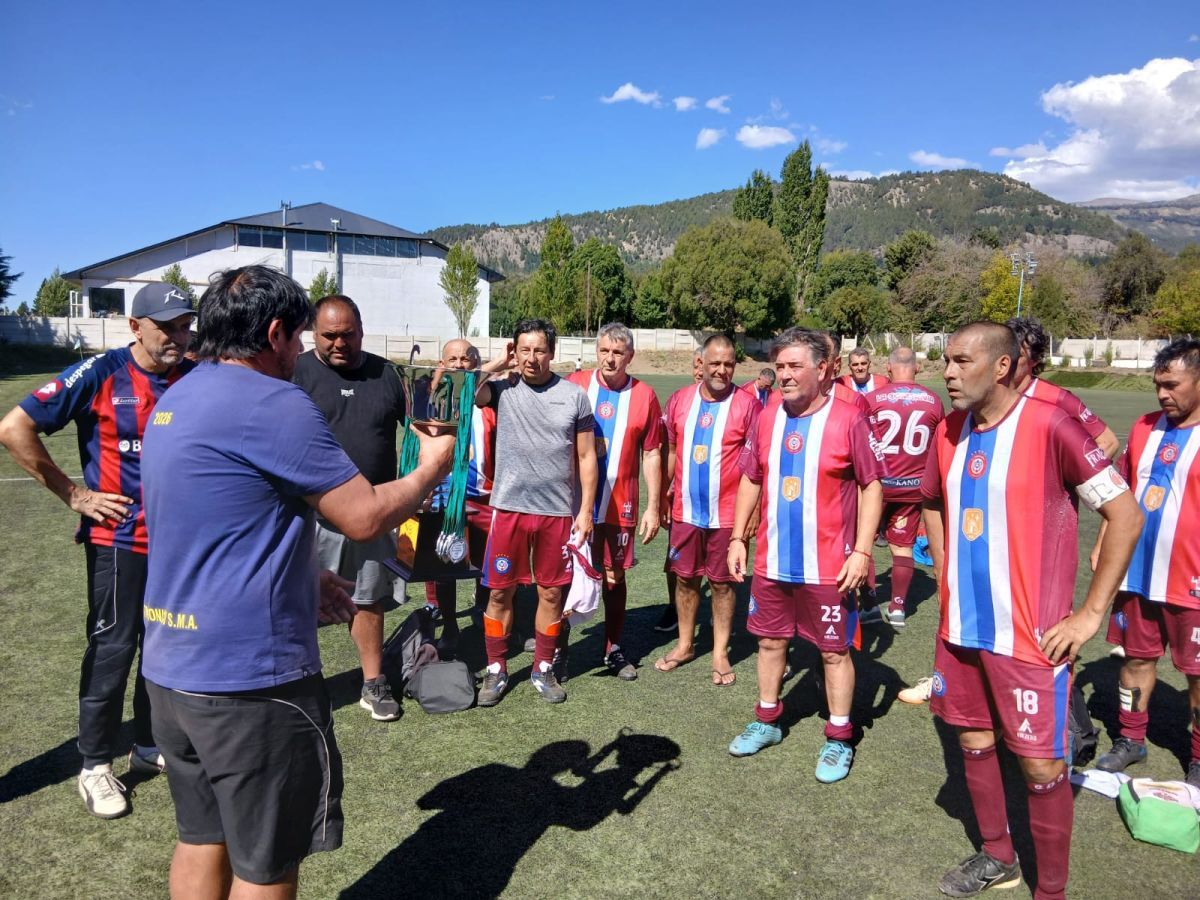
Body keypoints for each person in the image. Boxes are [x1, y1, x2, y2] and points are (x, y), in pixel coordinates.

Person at [139, 265, 455, 899]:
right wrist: (430, 470)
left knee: (202, 838)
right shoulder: (274, 401)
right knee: (268, 861)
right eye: (300, 336)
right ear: (277, 332)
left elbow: (219, 516)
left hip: (172, 670)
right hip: (250, 680)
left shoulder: (179, 393)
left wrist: (304, 575)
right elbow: (362, 513)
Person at [921, 321, 1140, 900]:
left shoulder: (1050, 425)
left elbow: (1126, 514)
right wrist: (945, 570)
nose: (947, 371)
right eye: (945, 360)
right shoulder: (946, 430)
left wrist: (1090, 615)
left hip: (1029, 637)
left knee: (1042, 769)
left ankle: (1052, 891)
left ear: (1001, 366)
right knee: (972, 741)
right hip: (960, 628)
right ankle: (998, 856)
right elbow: (932, 503)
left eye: (962, 360)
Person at [0, 282, 194, 819]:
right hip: (120, 541)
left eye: (185, 325)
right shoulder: (101, 373)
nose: (180, 336)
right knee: (115, 647)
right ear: (135, 327)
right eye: (167, 327)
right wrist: (75, 495)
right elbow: (14, 427)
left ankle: (151, 742)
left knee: (165, 645)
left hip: (180, 546)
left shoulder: (195, 375)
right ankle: (94, 765)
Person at [726, 328, 884, 782]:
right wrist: (739, 536)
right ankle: (768, 720)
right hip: (774, 562)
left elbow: (873, 485)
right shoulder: (767, 415)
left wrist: (861, 551)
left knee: (834, 652)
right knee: (770, 642)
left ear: (822, 369)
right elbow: (752, 478)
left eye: (795, 366)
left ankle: (838, 738)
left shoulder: (850, 418)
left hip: (830, 566)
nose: (785, 375)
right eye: (780, 367)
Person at [1092, 338, 1200, 787]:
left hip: (1192, 580)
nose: (1162, 394)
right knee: (1136, 658)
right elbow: (1121, 493)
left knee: (1197, 674)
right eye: (1158, 385)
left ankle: (1197, 758)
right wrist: (1102, 545)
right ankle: (1131, 739)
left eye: (1172, 385)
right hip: (1136, 573)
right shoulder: (1143, 427)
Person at [293, 294, 407, 721]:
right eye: (329, 336)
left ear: (361, 331)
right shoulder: (294, 373)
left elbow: (416, 430)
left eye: (348, 335)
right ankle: (301, 683)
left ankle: (373, 682)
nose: (339, 343)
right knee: (297, 599)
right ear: (313, 333)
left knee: (369, 598)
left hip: (372, 513)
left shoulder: (386, 374)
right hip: (307, 514)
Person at [474, 318, 598, 706]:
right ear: (515, 351)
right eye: (523, 350)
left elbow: (586, 455)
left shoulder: (574, 396)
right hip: (509, 509)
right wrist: (497, 364)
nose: (531, 358)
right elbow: (464, 392)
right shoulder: (502, 389)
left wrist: (587, 510)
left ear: (552, 352)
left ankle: (542, 667)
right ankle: (496, 669)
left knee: (551, 594)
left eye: (539, 350)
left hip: (556, 513)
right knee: (499, 593)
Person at [656, 333, 760, 685]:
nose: (722, 369)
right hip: (686, 511)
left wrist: (754, 513)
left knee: (723, 584)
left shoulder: (748, 405)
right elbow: (670, 450)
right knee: (686, 579)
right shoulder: (681, 400)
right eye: (715, 362)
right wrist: (660, 497)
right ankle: (685, 644)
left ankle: (719, 652)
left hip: (728, 515)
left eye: (728, 364)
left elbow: (757, 465)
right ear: (701, 364)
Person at [569, 323, 663, 680]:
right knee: (565, 573)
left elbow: (652, 452)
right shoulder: (576, 384)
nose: (610, 359)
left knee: (613, 575)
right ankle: (558, 647)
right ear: (597, 351)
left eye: (618, 353)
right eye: (605, 351)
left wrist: (653, 506)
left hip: (619, 503)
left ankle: (612, 646)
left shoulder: (645, 396)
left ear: (630, 356)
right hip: (575, 501)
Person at [423, 337, 499, 655]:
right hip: (445, 496)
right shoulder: (434, 402)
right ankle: (451, 626)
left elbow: (475, 385)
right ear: (442, 364)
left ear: (476, 363)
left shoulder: (488, 400)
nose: (458, 364)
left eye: (465, 359)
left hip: (484, 496)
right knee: (444, 564)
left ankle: (482, 607)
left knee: (485, 562)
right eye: (451, 359)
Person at [865, 347, 944, 629]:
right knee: (902, 548)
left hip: (878, 486)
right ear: (918, 368)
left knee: (864, 544)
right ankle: (898, 608)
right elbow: (939, 448)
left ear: (888, 368)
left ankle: (869, 604)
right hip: (913, 488)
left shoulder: (872, 399)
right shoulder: (934, 401)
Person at [1007, 317, 1119, 459]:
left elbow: (1108, 442)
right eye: (1004, 352)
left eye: (1018, 355)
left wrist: (1073, 477)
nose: (1008, 360)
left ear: (1034, 360)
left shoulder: (1058, 398)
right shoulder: (986, 394)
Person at [654, 351, 704, 635]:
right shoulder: (678, 399)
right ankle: (674, 605)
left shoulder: (738, 402)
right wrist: (664, 490)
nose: (700, 370)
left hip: (720, 498)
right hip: (681, 496)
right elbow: (666, 449)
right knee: (674, 556)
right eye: (696, 364)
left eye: (704, 364)